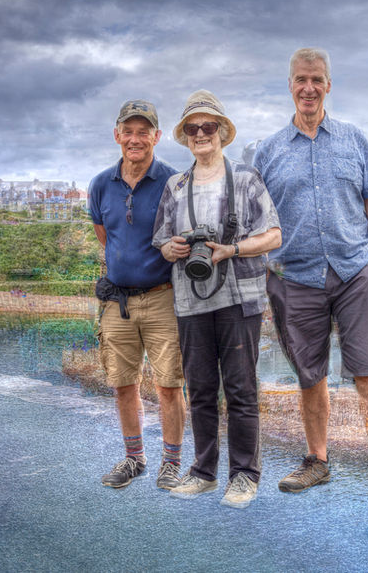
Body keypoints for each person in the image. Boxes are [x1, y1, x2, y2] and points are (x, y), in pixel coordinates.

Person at [253, 48, 368, 512]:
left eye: (317, 79)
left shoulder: (354, 140)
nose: (309, 88)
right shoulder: (268, 151)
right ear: (290, 85)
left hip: (355, 270)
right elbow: (256, 220)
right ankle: (317, 461)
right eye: (301, 79)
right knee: (310, 376)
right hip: (294, 277)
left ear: (328, 85)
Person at [153, 90, 281, 509]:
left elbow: (274, 235)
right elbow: (161, 239)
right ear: (186, 136)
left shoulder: (246, 178)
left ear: (222, 131)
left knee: (241, 389)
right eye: (192, 128)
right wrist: (172, 248)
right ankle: (203, 472)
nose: (200, 134)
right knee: (201, 389)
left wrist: (232, 249)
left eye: (208, 126)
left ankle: (244, 475)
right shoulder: (176, 186)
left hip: (240, 297)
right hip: (191, 300)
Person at [88, 100, 186, 491]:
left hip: (163, 297)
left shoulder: (174, 181)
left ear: (156, 137)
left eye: (143, 132)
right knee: (123, 383)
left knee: (169, 385)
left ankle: (171, 463)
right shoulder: (100, 184)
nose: (135, 139)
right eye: (128, 131)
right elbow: (105, 236)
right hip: (118, 302)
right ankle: (135, 458)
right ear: (117, 135)